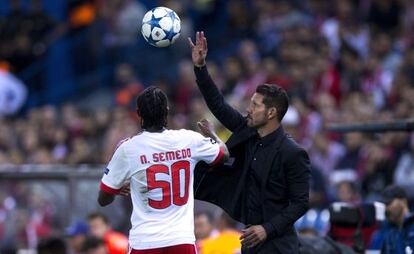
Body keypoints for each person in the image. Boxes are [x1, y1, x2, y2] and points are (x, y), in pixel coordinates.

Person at [189, 31, 311, 253]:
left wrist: (267, 228)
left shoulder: (292, 152)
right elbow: (218, 105)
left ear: (272, 112)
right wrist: (200, 68)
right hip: (249, 242)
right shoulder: (248, 133)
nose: (249, 109)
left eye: (255, 105)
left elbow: (301, 203)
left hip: (279, 246)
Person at [97, 86, 229, 253]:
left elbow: (103, 199)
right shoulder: (188, 139)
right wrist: (212, 134)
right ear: (167, 111)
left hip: (144, 242)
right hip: (181, 240)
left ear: (138, 113)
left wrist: (116, 189)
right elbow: (224, 154)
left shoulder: (128, 148)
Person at [369, 185, 414, 254]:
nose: (386, 209)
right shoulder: (383, 231)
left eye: (388, 203)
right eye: (384, 205)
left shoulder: (411, 227)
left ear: (403, 201)